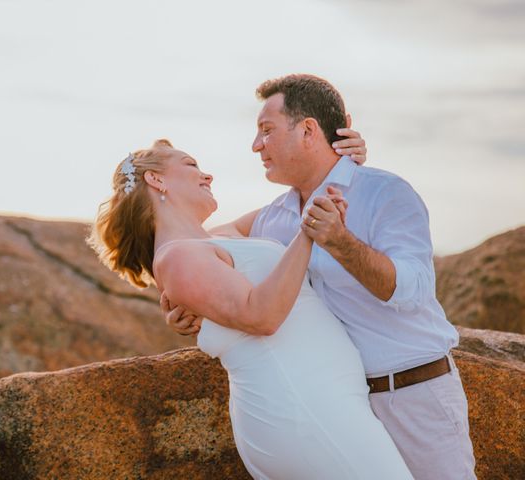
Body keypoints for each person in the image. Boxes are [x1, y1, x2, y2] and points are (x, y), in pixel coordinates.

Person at [163, 74, 476, 480]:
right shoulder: (274, 218)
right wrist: (177, 299)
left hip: (413, 397)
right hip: (340, 409)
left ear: (308, 130)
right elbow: (193, 249)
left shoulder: (385, 193)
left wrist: (340, 241)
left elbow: (411, 290)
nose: (256, 145)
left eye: (266, 131)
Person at [88, 139, 413, 479]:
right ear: (156, 180)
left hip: (323, 401)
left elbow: (301, 204)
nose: (207, 175)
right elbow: (261, 316)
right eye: (191, 164)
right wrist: (308, 235)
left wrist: (339, 162)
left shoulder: (216, 239)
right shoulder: (175, 257)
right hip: (299, 407)